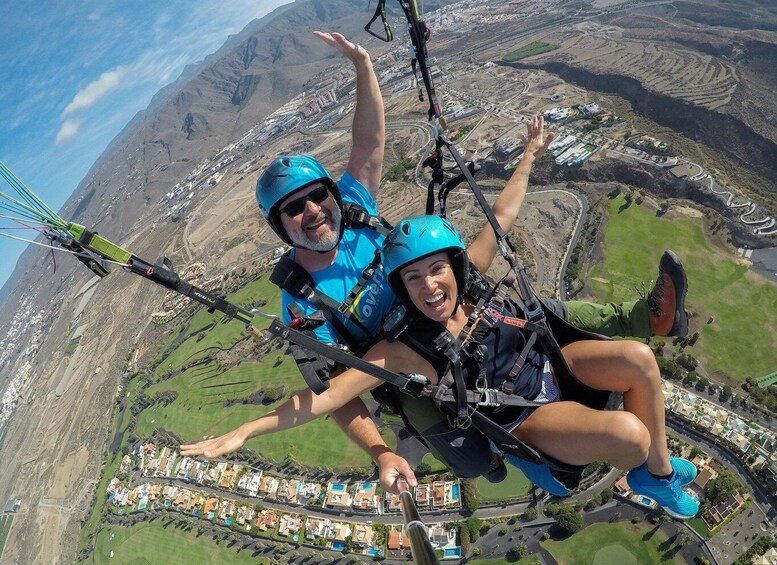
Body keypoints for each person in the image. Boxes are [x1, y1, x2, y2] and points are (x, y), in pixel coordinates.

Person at [243, 31, 690, 492]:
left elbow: (372, 146)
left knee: (543, 314)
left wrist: (364, 68)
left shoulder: (355, 214)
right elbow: (332, 392)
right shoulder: (303, 300)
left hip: (460, 313)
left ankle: (646, 322)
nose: (313, 211)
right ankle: (499, 456)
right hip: (411, 360)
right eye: (294, 209)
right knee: (448, 423)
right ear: (280, 224)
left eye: (317, 196)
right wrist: (379, 450)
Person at [182, 210, 699, 519]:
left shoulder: (472, 293)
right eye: (414, 280)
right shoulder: (402, 349)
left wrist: (528, 156)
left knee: (638, 357)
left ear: (454, 268)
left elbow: (501, 217)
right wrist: (247, 430)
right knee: (632, 437)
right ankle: (653, 473)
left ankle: (658, 474)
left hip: (547, 370)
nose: (429, 286)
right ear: (402, 290)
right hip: (524, 417)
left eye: (437, 270)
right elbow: (326, 397)